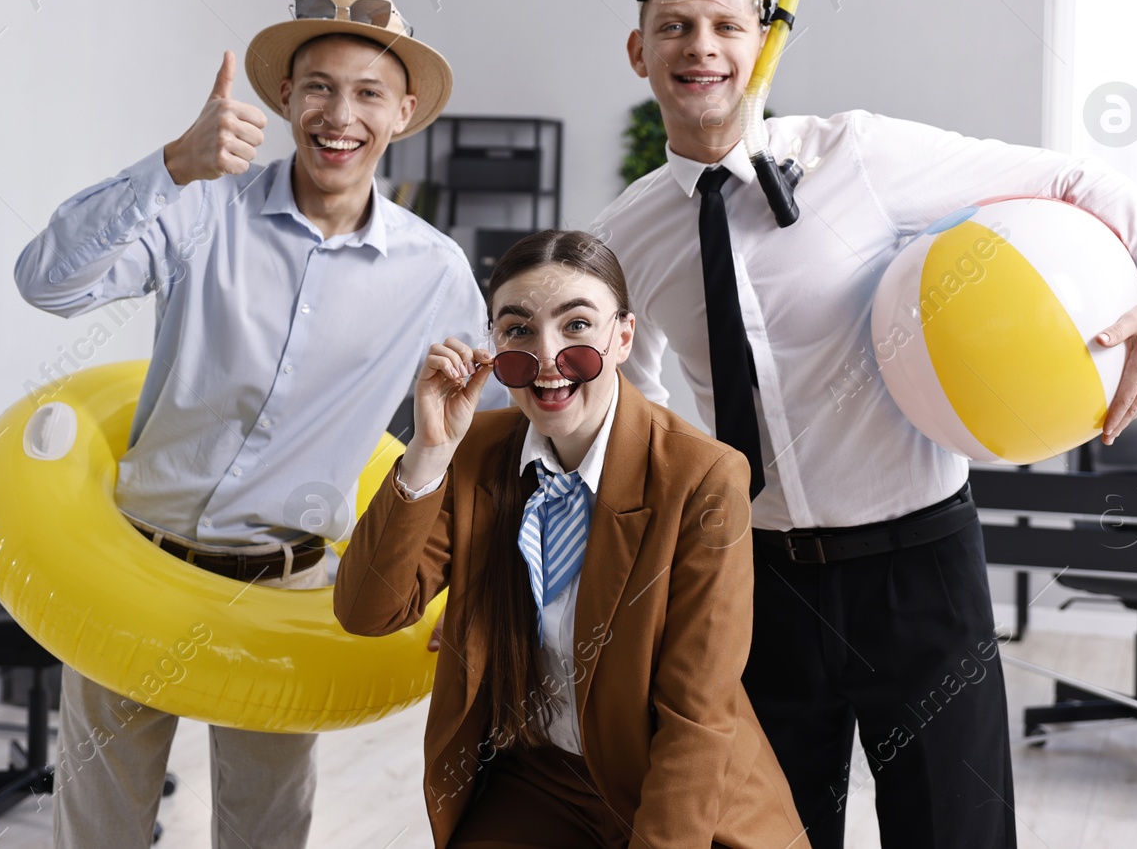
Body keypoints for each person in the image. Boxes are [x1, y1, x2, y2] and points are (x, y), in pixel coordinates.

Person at [591, 0, 1137, 849]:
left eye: (726, 24)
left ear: (763, 43)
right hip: (756, 591)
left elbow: (1076, 178)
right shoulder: (624, 234)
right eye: (674, 26)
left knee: (955, 833)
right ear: (640, 51)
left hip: (917, 573)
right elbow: (624, 428)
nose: (701, 47)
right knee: (770, 837)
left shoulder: (860, 156)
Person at [15, 0, 501, 849]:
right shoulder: (204, 204)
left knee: (266, 835)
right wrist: (169, 163)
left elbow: (490, 438)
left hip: (285, 591)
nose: (338, 114)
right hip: (131, 567)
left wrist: (472, 587)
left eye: (366, 93)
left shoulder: (434, 273)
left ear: (404, 110)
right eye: (318, 86)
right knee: (96, 831)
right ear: (285, 97)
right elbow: (46, 281)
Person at [334, 229, 809, 849]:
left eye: (577, 325)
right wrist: (427, 453)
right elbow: (368, 611)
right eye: (518, 331)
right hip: (543, 782)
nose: (548, 358)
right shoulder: (474, 449)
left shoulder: (704, 476)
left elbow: (697, 716)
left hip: (683, 794)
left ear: (623, 337)